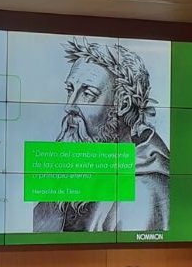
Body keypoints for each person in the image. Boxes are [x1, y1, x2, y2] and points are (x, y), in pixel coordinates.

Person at [34, 39, 170, 232]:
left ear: (122, 105)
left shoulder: (143, 191)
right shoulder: (73, 172)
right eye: (70, 90)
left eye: (88, 94)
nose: (69, 106)